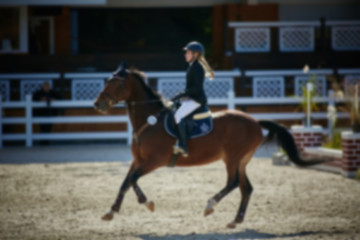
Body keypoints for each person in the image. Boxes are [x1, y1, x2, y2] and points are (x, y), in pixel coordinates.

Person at [170, 41, 215, 157]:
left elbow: (196, 88)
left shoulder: (198, 68)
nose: (185, 55)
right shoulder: (192, 66)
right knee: (172, 107)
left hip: (197, 100)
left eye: (188, 53)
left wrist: (180, 95)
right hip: (191, 97)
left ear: (195, 54)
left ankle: (183, 146)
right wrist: (179, 97)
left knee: (178, 115)